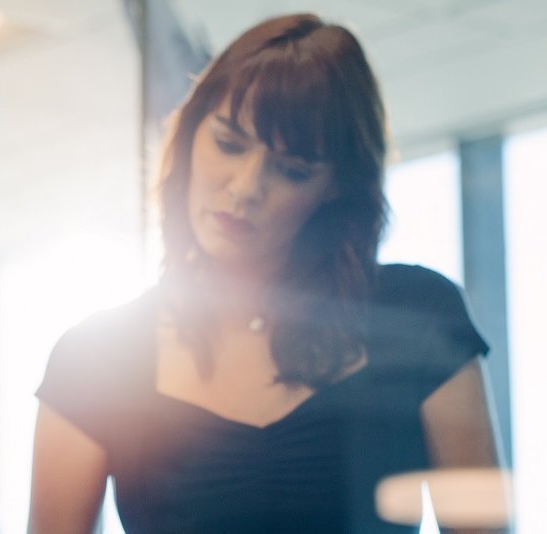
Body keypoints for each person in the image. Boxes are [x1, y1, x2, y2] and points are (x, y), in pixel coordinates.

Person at [29, 14, 501, 534]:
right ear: (189, 136)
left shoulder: (419, 315)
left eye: (292, 169)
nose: (246, 187)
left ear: (336, 187)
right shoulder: (95, 357)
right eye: (229, 144)